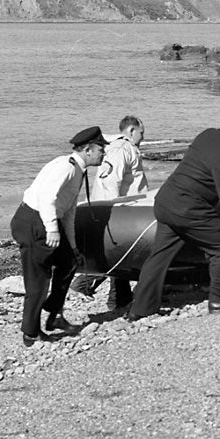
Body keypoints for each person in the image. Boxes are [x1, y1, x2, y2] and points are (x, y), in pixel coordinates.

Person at [126, 101, 220, 320]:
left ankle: (140, 308)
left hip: (165, 202)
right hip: (188, 208)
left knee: (159, 256)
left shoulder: (208, 135)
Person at [10, 126, 109, 346]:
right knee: (38, 279)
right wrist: (52, 229)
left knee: (69, 262)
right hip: (35, 221)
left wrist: (72, 244)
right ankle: (30, 333)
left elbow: (69, 210)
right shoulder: (66, 167)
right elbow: (47, 197)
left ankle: (54, 315)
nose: (103, 153)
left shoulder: (76, 169)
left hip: (46, 218)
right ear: (87, 149)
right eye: (101, 148)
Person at [71, 115, 149, 310]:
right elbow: (110, 181)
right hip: (121, 211)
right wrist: (114, 209)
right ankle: (84, 287)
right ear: (131, 131)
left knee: (120, 256)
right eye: (141, 133)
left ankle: (120, 299)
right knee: (118, 255)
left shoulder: (118, 148)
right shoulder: (122, 149)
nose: (143, 137)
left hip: (120, 210)